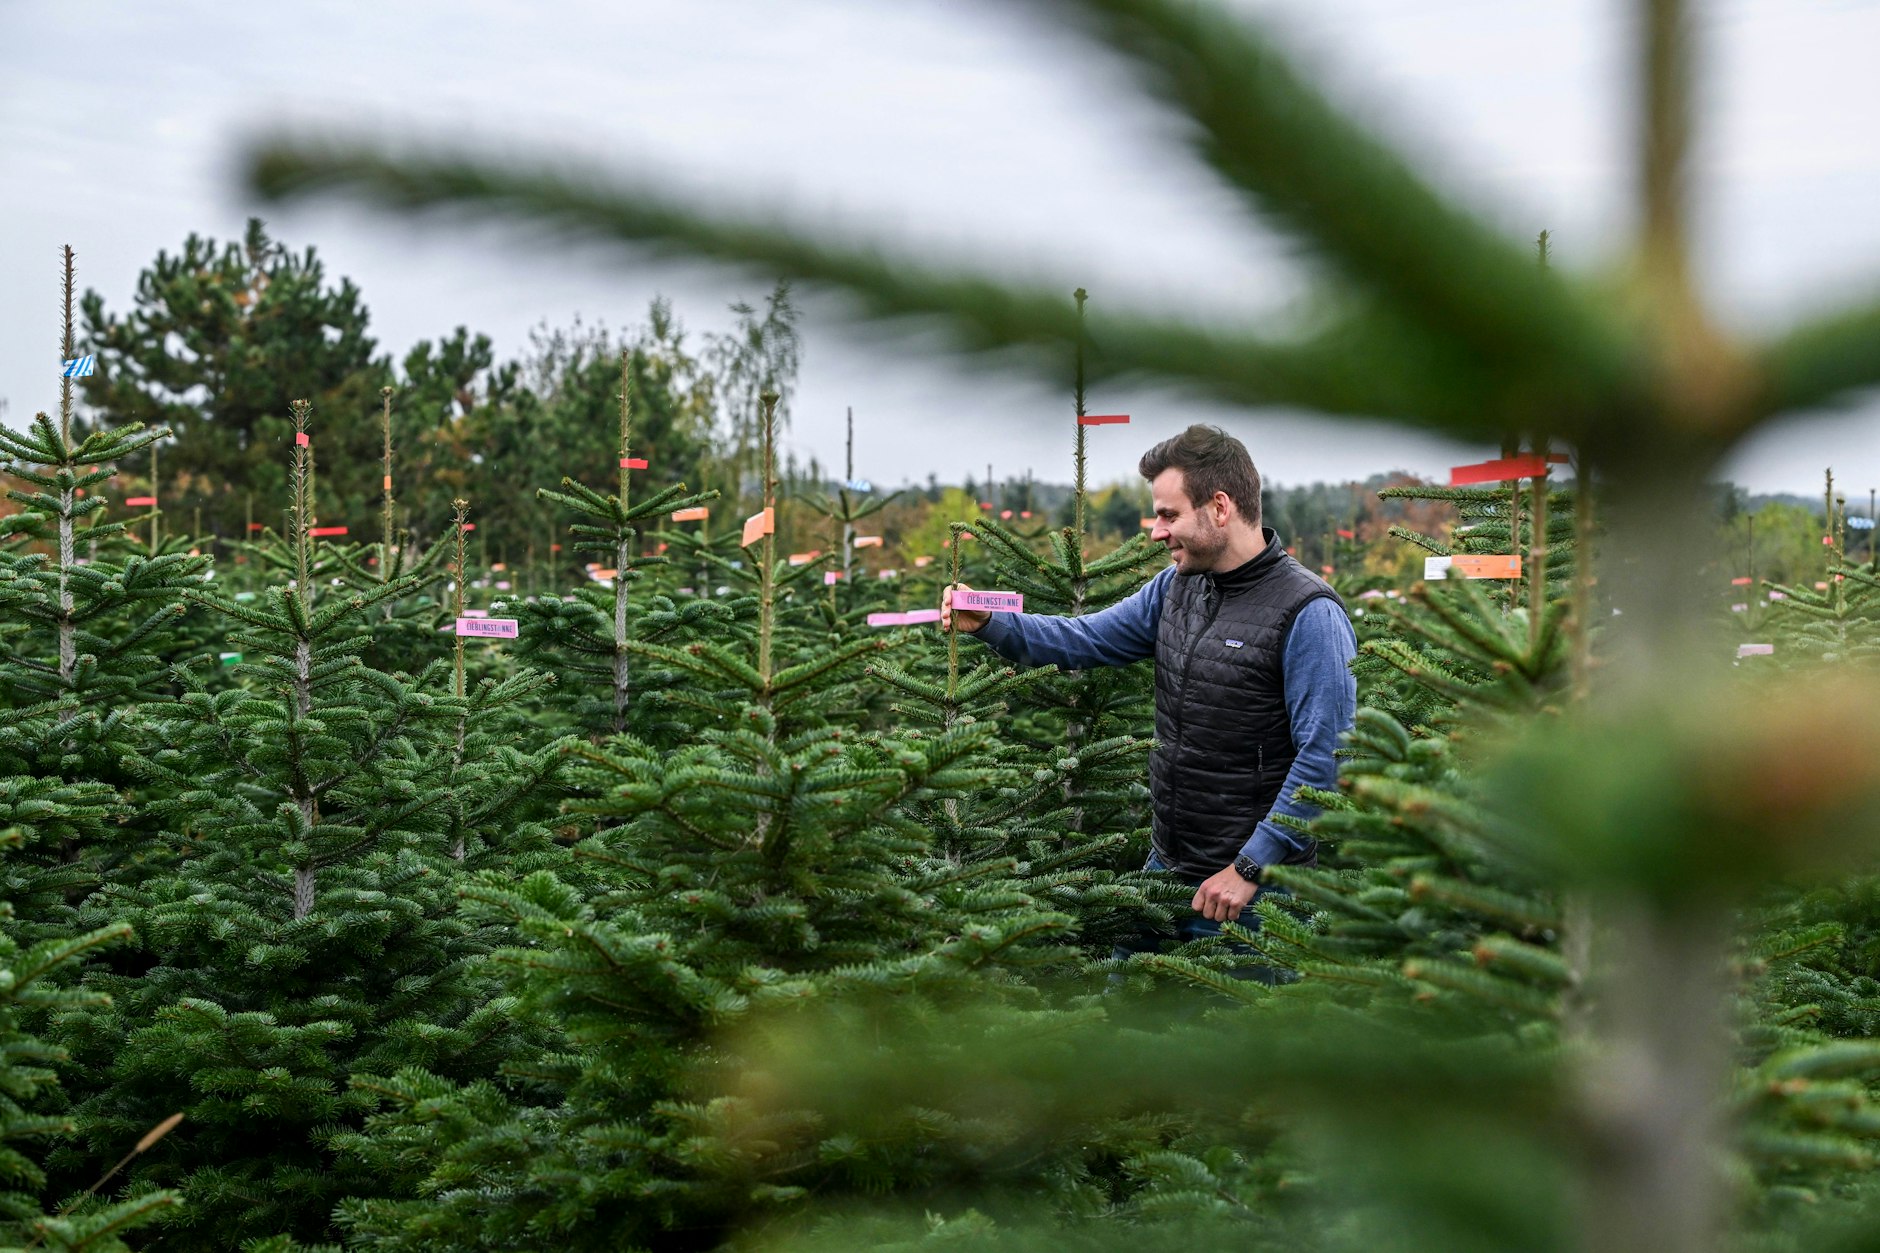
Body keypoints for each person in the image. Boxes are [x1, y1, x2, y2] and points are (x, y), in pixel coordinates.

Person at [943, 424, 1356, 966]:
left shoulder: (1308, 612)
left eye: (1168, 515)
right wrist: (993, 622)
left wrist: (1252, 866)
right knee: (1127, 1020)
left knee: (1227, 1045)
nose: (1156, 532)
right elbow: (1088, 637)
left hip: (1253, 892)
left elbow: (1327, 754)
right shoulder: (1177, 586)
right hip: (1168, 868)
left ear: (1221, 507)